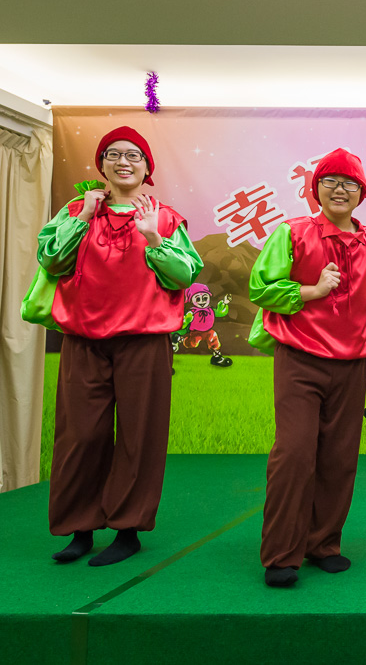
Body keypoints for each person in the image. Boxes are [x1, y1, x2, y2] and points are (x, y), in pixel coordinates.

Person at [26, 126, 203, 565]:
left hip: (144, 341)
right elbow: (50, 259)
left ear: (147, 168)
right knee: (79, 435)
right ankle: (79, 528)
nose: (124, 162)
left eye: (133, 156)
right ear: (102, 164)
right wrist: (84, 216)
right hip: (83, 339)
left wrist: (154, 238)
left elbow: (185, 275)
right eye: (114, 154)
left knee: (140, 436)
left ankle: (128, 530)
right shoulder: (76, 210)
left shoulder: (165, 217)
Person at [248, 148, 366, 587]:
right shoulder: (292, 233)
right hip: (300, 358)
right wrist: (312, 290)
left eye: (350, 183)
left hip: (351, 365)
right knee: (294, 453)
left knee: (339, 458)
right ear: (316, 188)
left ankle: (323, 544)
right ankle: (281, 554)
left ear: (362, 193)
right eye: (331, 181)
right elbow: (261, 289)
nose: (340, 190)